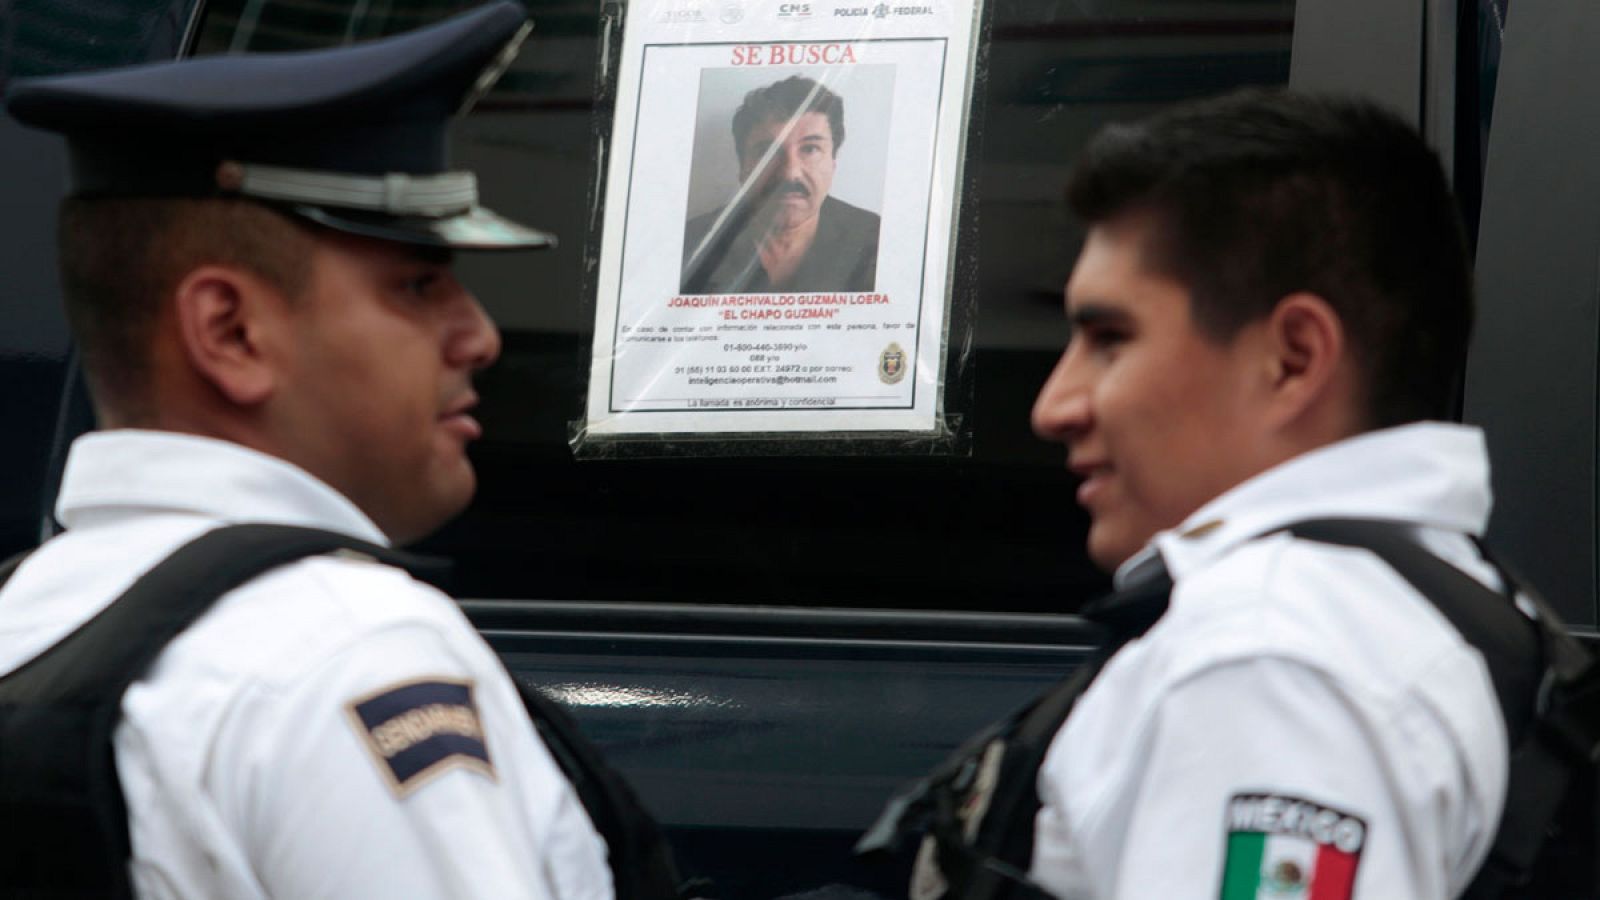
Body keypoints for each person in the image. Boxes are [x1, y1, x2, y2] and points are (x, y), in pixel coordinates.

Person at [0, 5, 623, 898]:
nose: (480, 336)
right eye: (419, 284)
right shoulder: (349, 649)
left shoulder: (29, 622)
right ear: (231, 332)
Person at [883, 88, 1523, 899]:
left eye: (1110, 339)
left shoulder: (1268, 656)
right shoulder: (1444, 606)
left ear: (1293, 359)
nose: (1053, 406)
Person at [681, 75, 881, 295]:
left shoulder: (875, 239)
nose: (790, 172)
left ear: (833, 163)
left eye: (810, 149)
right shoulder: (691, 244)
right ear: (743, 168)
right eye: (767, 152)